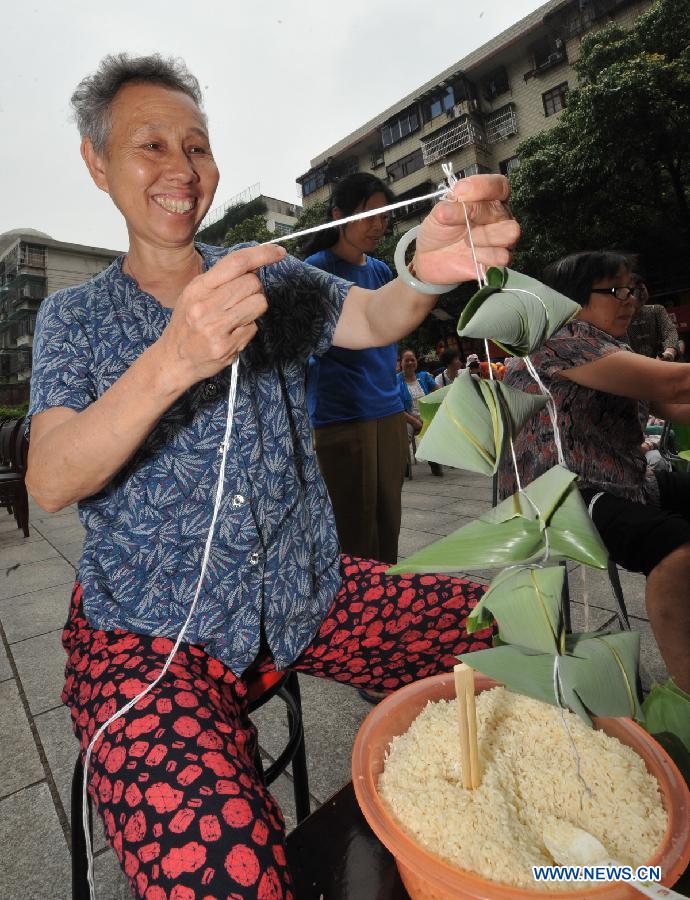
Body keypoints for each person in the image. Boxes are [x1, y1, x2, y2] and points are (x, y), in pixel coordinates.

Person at [26, 54, 517, 899]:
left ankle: (503, 831)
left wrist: (423, 273)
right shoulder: (73, 316)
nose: (182, 170)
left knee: (508, 629)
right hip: (146, 633)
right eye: (151, 146)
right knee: (230, 878)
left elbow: (368, 315)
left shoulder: (269, 274)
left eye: (198, 147)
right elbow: (50, 477)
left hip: (303, 589)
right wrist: (172, 360)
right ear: (96, 162)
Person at [499, 251, 690, 698]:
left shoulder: (608, 347)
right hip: (561, 494)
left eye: (632, 289)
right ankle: (686, 689)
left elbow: (672, 406)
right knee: (677, 549)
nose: (629, 300)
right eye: (615, 290)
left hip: (619, 479)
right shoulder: (560, 342)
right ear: (573, 301)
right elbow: (674, 385)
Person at [303, 173, 406, 565]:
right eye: (369, 216)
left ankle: (386, 605)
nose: (379, 226)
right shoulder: (314, 269)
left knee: (389, 522)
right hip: (341, 415)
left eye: (384, 217)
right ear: (338, 217)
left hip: (389, 412)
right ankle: (354, 616)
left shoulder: (381, 271)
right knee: (353, 530)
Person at [397, 348, 443, 476]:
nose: (410, 363)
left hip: (426, 416)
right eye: (407, 360)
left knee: (435, 428)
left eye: (413, 359)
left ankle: (434, 461)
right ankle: (403, 464)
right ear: (401, 362)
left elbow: (439, 392)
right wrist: (414, 421)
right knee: (405, 431)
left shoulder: (424, 377)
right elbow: (397, 408)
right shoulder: (395, 381)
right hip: (406, 418)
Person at [624, 274, 679, 360]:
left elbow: (670, 331)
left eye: (642, 289)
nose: (641, 295)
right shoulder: (620, 318)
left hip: (661, 361)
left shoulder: (657, 309)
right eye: (634, 291)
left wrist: (669, 352)